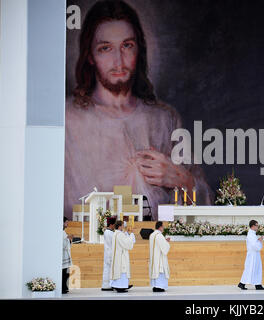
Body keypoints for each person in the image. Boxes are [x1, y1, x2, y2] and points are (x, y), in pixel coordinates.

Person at [64, 0, 214, 220]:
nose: (118, 60)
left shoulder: (164, 119)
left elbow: (206, 206)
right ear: (90, 56)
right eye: (105, 48)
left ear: (139, 49)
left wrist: (181, 180)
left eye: (127, 45)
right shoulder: (67, 119)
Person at [238, 220, 264, 290]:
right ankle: (242, 283)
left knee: (255, 269)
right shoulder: (251, 234)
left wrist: (258, 240)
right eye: (257, 225)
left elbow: (254, 243)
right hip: (253, 255)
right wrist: (260, 241)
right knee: (250, 269)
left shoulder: (252, 234)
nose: (258, 227)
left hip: (254, 254)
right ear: (253, 226)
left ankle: (257, 284)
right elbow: (255, 246)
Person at [110, 220, 134, 292]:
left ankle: (122, 285)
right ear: (120, 226)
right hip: (121, 257)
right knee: (122, 271)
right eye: (123, 225)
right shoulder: (120, 235)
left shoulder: (115, 234)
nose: (124, 227)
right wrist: (131, 235)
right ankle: (121, 286)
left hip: (117, 256)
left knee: (120, 271)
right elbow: (127, 244)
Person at [149, 221, 171, 292]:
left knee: (155, 271)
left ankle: (155, 286)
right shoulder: (159, 235)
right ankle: (159, 287)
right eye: (163, 226)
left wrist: (164, 241)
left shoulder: (152, 235)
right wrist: (167, 242)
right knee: (160, 272)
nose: (163, 228)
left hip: (154, 258)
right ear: (160, 227)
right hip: (159, 258)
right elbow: (164, 249)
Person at [101, 217, 116, 291]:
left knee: (107, 269)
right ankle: (106, 285)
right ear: (111, 225)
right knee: (108, 269)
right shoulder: (110, 233)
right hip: (110, 253)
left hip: (108, 252)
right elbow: (114, 242)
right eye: (114, 225)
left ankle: (108, 284)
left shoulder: (107, 231)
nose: (114, 226)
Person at [62, 217, 73, 294]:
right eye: (66, 222)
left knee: (66, 273)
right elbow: (62, 244)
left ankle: (65, 287)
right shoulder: (61, 232)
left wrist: (69, 239)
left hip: (65, 255)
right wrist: (68, 239)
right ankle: (63, 288)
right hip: (62, 256)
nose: (67, 224)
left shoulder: (63, 232)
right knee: (64, 273)